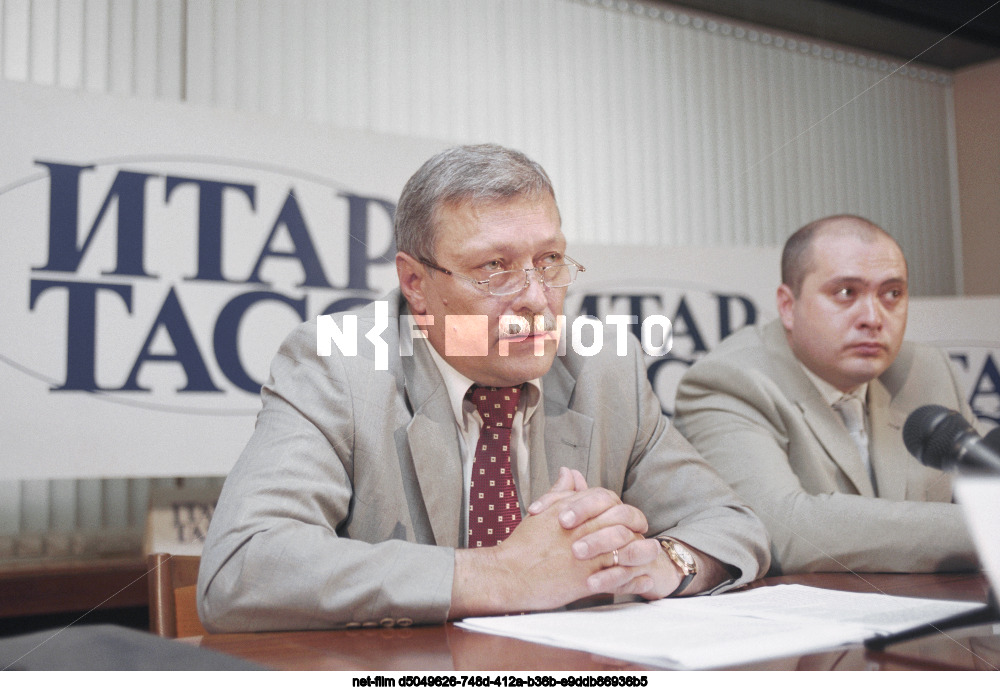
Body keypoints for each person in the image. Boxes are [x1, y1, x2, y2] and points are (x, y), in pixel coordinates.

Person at [197, 144, 769, 631]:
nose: (536, 297)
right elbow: (241, 568)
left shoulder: (603, 365)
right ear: (415, 283)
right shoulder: (338, 363)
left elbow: (733, 522)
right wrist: (500, 574)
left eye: (549, 261)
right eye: (494, 267)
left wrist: (665, 561)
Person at [674, 214, 979, 575]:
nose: (873, 317)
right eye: (846, 293)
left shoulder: (927, 370)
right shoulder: (730, 381)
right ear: (788, 306)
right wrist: (985, 529)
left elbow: (983, 488)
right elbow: (782, 531)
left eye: (892, 294)